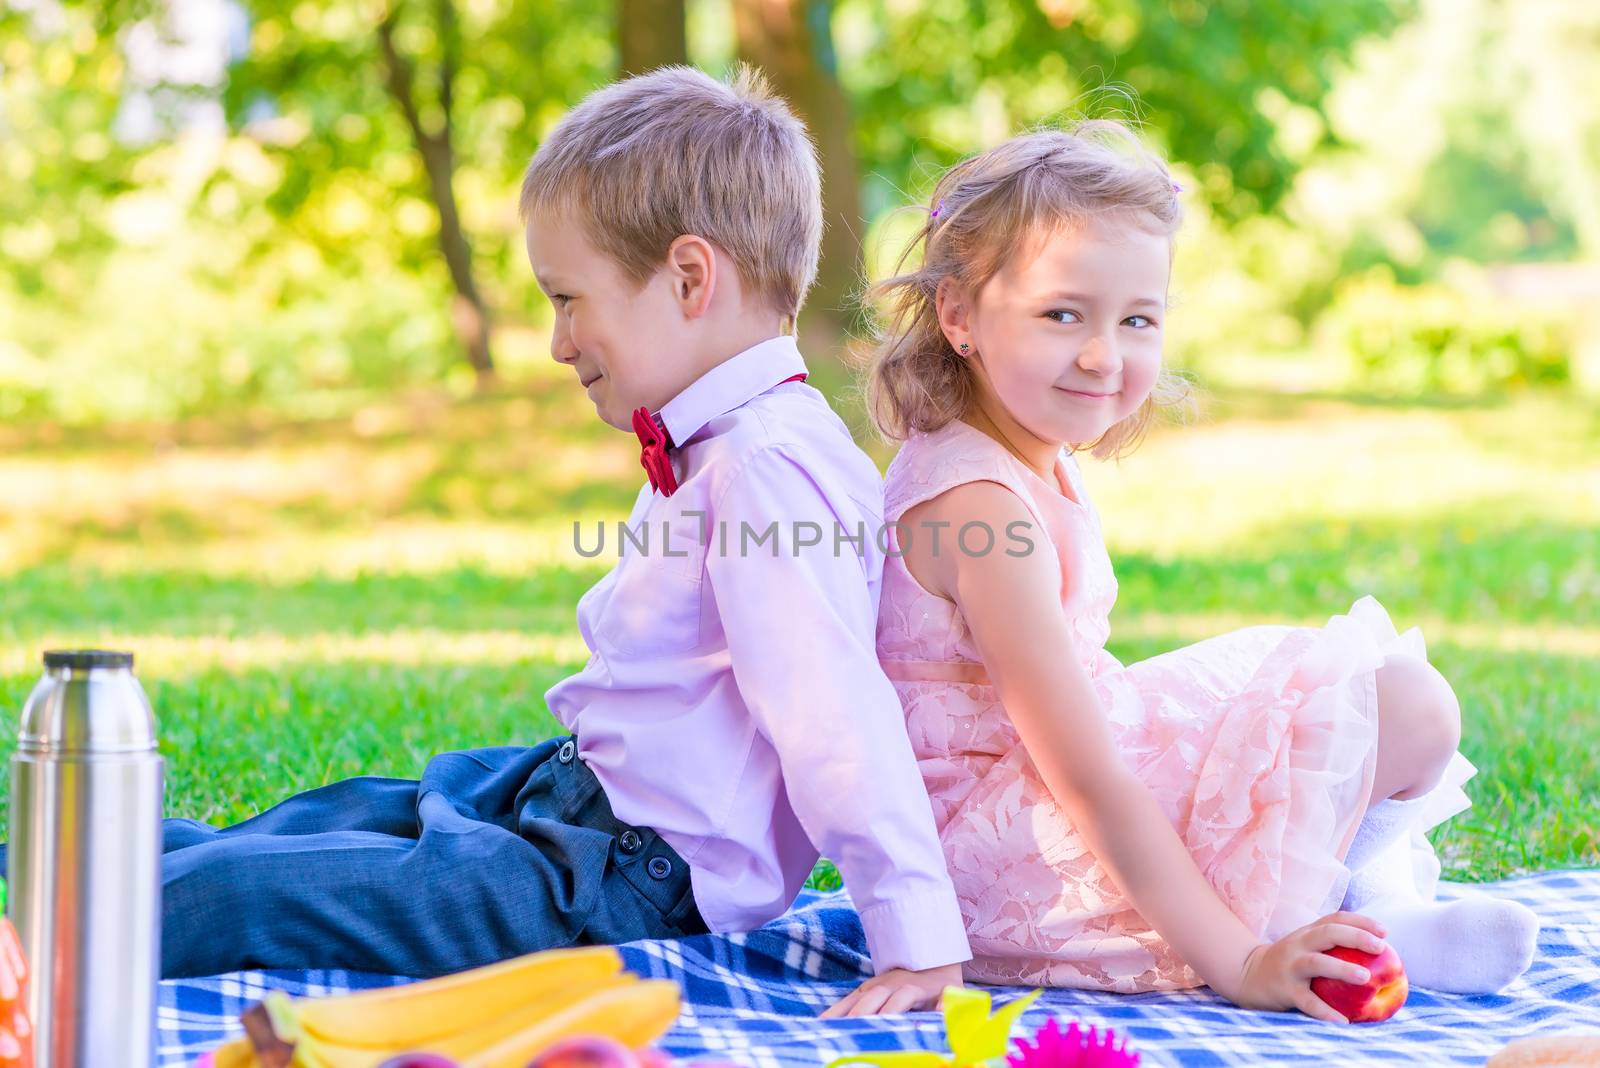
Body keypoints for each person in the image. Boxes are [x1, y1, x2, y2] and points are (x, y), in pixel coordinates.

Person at [27, 68, 972, 1013]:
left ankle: (55, 930)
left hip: (614, 887)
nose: (560, 344)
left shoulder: (767, 464)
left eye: (569, 301)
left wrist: (914, 934)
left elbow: (834, 717)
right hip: (571, 793)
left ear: (690, 277)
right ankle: (51, 862)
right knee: (321, 823)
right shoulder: (728, 443)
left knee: (256, 896)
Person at [852, 122, 1537, 1023]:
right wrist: (1240, 962)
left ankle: (1373, 913)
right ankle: (1341, 923)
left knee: (1364, 697)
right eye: (1064, 314)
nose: (1105, 354)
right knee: (1401, 707)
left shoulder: (1015, 455)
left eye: (1137, 320)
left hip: (1033, 799)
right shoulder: (982, 509)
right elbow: (1086, 777)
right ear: (958, 315)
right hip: (1013, 860)